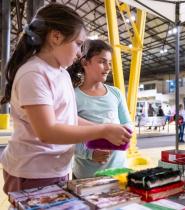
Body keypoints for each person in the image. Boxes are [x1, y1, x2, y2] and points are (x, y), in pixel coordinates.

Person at [0, 4, 131, 194]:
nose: (79, 53)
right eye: (78, 44)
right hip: (32, 171)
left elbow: (69, 118)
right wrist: (103, 130)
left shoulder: (60, 73)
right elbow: (48, 131)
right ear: (56, 37)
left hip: (57, 167)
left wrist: (106, 131)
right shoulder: (34, 73)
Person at [67, 39, 132, 179]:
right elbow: (68, 135)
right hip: (86, 177)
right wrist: (89, 153)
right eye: (102, 62)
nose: (108, 68)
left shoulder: (116, 93)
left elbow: (127, 123)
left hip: (118, 173)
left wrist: (125, 137)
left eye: (109, 62)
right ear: (85, 62)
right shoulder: (73, 96)